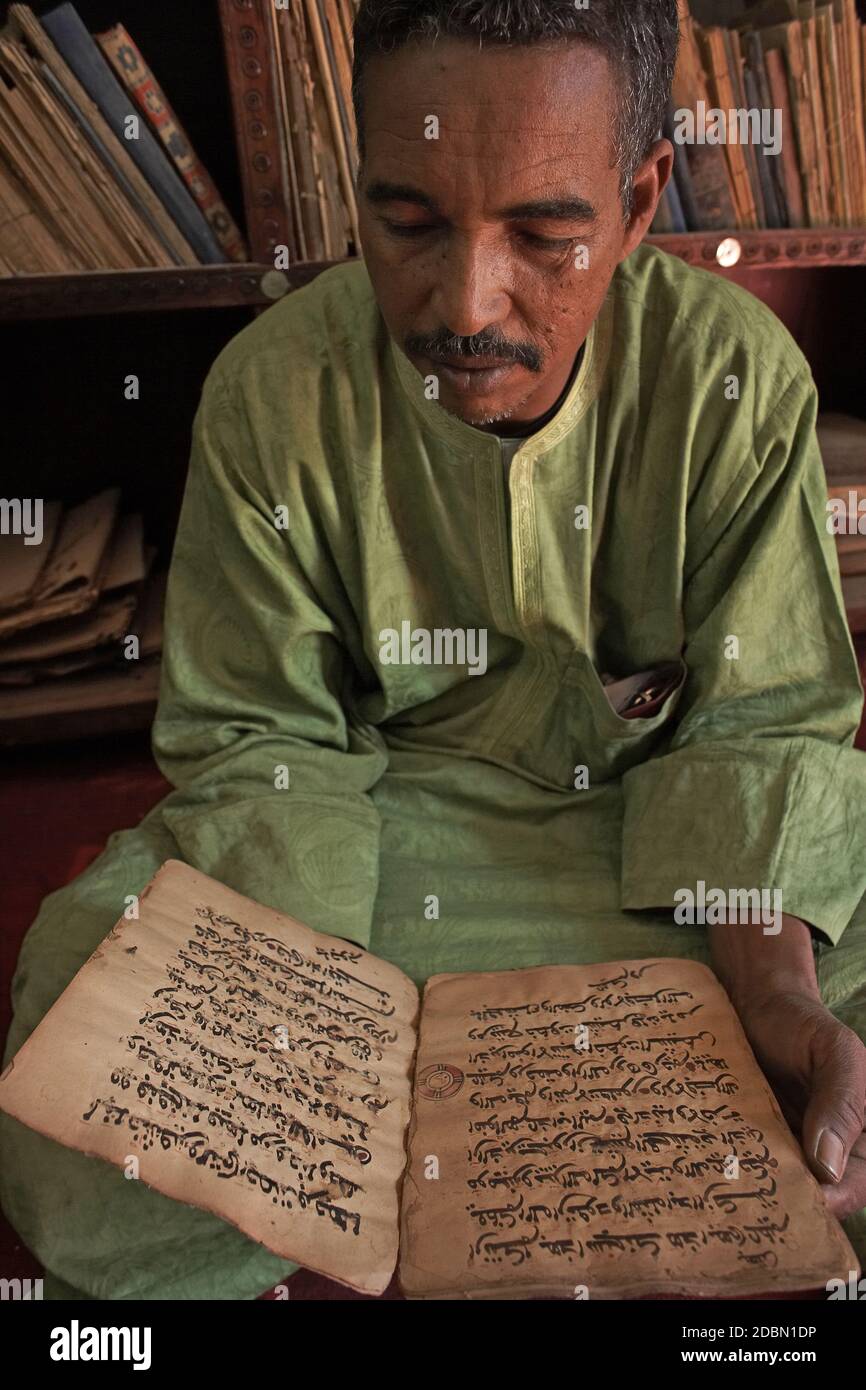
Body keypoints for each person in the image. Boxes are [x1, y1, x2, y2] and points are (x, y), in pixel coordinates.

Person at [3, 0, 866, 1300]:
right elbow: (265, 746)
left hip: (655, 892)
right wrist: (310, 1031)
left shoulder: (733, 381)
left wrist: (779, 1003)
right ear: (356, 182)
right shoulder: (270, 387)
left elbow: (759, 730)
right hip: (347, 882)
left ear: (636, 206)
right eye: (407, 222)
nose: (464, 302)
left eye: (542, 233)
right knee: (75, 1114)